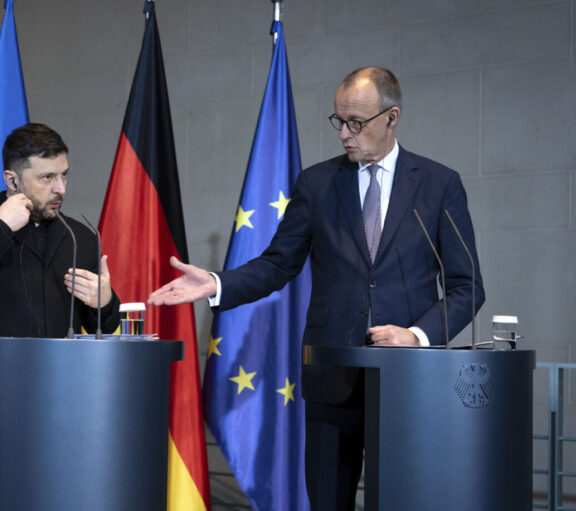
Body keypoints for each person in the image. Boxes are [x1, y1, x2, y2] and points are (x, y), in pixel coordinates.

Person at [148, 67, 485, 510]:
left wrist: (417, 336)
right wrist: (216, 282)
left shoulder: (439, 185)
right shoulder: (317, 183)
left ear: (392, 117)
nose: (345, 133)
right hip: (331, 377)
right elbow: (277, 263)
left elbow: (467, 286)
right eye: (339, 121)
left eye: (357, 123)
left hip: (408, 380)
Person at [0, 123, 120, 510]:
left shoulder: (80, 237)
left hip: (65, 414)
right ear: (12, 180)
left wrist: (106, 302)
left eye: (64, 175)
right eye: (47, 177)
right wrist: (0, 228)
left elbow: (104, 329)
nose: (61, 188)